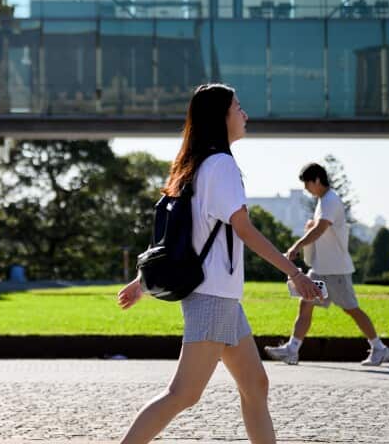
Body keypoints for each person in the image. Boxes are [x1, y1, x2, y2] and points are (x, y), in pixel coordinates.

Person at [116, 84, 322, 444]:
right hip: (212, 296)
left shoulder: (196, 165)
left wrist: (140, 282)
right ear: (221, 117)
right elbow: (244, 229)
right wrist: (294, 272)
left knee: (256, 385)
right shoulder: (221, 165)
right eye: (238, 108)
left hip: (221, 298)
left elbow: (180, 233)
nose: (245, 115)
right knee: (184, 394)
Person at [263, 162, 389, 367]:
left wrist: (297, 245)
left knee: (352, 309)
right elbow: (319, 227)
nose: (306, 189)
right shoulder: (324, 201)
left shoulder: (330, 200)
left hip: (336, 271)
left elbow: (321, 228)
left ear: (316, 180)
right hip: (321, 269)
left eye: (307, 184)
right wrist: (311, 228)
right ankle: (292, 349)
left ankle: (379, 348)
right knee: (305, 305)